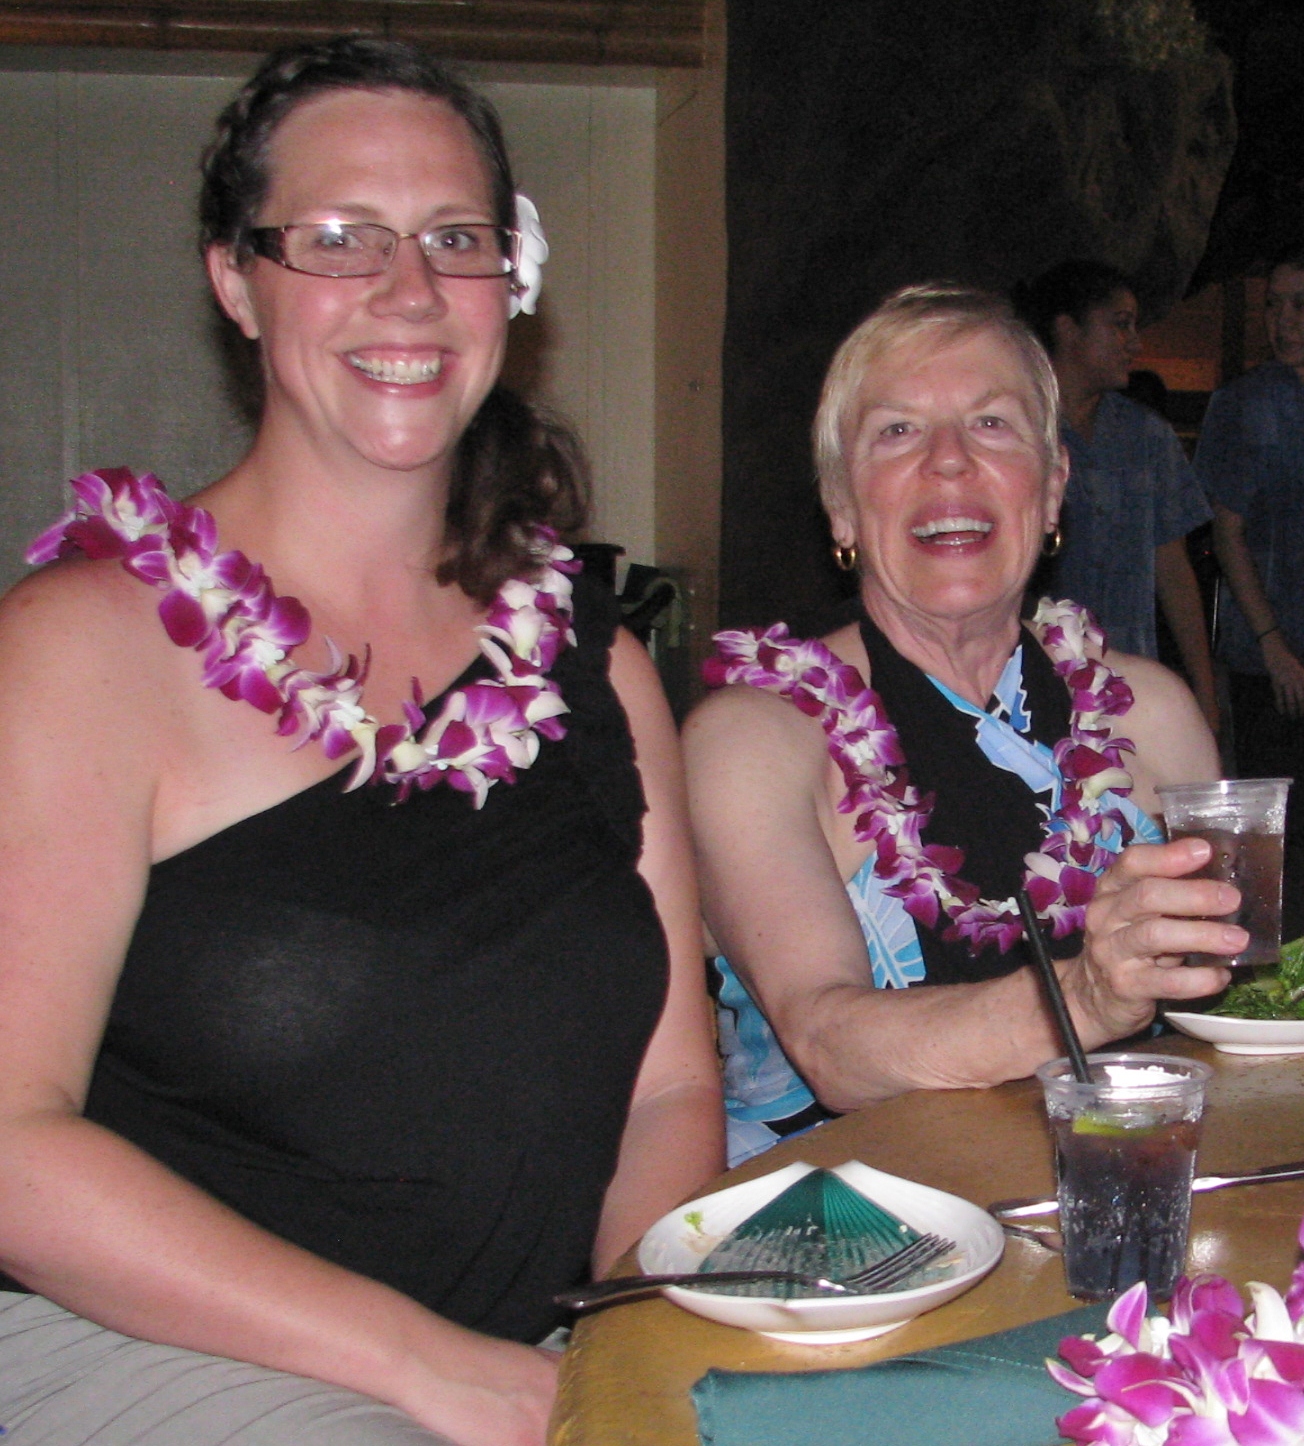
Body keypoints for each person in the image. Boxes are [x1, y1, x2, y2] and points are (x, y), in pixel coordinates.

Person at [0, 37, 722, 1446]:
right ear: (236, 278)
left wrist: (629, 1354)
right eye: (340, 237)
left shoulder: (603, 666)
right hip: (147, 1350)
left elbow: (672, 1087)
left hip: (532, 1361)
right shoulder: (80, 646)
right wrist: (432, 1368)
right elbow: (12, 1146)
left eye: (454, 238)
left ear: (511, 279)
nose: (409, 289)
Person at [684, 284, 1241, 1166]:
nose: (948, 462)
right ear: (840, 503)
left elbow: (1222, 1031)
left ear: (1052, 489)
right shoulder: (755, 739)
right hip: (849, 1224)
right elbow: (827, 1043)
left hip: (1123, 1192)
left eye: (991, 424)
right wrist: (1087, 999)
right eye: (897, 431)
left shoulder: (1156, 717)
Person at [1016, 260, 1219, 733]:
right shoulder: (1019, 430)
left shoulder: (1146, 436)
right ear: (1068, 330)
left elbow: (1173, 568)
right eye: (1120, 324)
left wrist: (1204, 689)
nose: (1135, 343)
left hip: (1130, 680)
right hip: (1035, 679)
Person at [1199, 244, 1304, 936]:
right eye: (1273, 305)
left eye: (1299, 305)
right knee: (1279, 833)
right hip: (1270, 651)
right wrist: (1271, 643)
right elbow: (1226, 531)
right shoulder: (1247, 404)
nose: (1283, 320)